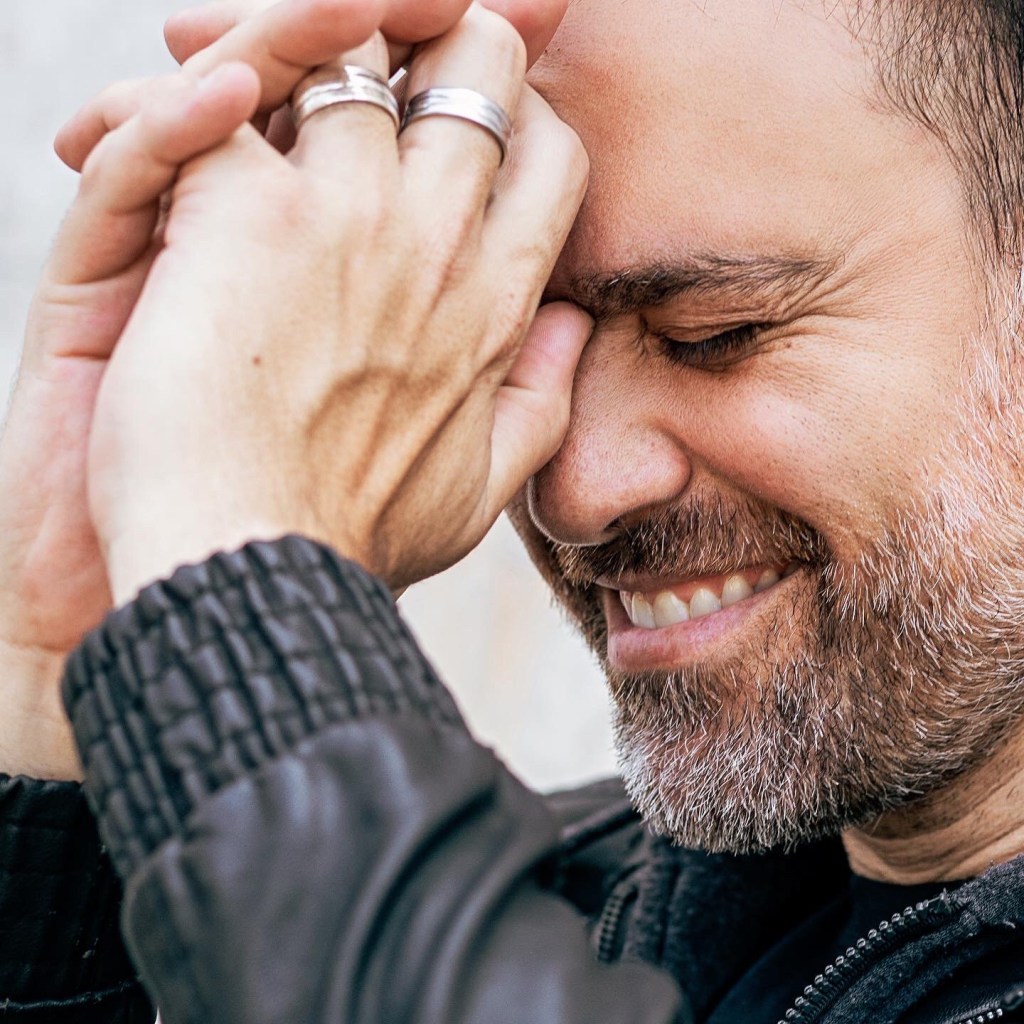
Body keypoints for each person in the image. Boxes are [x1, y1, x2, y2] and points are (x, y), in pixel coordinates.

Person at [1, 0, 1023, 1021]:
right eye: (504, 352)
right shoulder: (552, 908)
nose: (577, 492)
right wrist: (65, 694)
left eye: (713, 333)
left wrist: (242, 580)